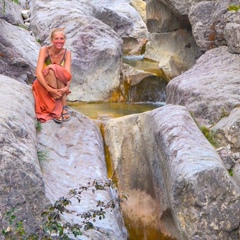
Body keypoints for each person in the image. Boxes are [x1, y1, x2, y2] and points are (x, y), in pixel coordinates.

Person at [32, 28, 72, 123]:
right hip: (43, 84)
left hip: (59, 83)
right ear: (51, 40)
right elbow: (38, 73)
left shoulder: (67, 53)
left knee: (59, 70)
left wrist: (67, 87)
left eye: (61, 39)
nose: (59, 41)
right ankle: (58, 108)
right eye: (56, 38)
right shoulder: (44, 50)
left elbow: (67, 74)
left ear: (64, 40)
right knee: (52, 68)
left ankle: (62, 106)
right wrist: (49, 89)